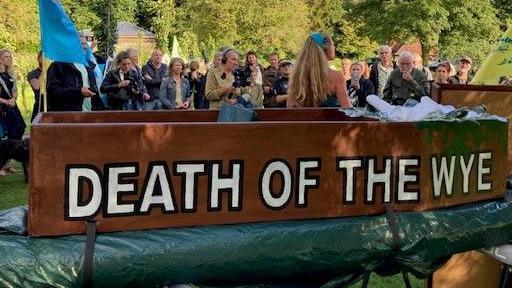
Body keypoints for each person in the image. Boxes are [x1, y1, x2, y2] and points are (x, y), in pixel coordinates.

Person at [287, 32, 351, 108]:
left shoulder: (297, 75)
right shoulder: (336, 76)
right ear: (327, 48)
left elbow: (290, 105)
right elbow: (347, 108)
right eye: (333, 45)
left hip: (303, 119)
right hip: (327, 119)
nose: (335, 48)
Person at [46, 36, 103, 111]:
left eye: (85, 44)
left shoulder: (88, 65)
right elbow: (52, 91)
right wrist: (78, 92)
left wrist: (100, 110)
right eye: (82, 44)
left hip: (89, 114)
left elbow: (94, 90)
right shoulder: (58, 65)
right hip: (69, 116)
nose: (85, 47)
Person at [0, 49, 25, 175]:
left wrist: (14, 98)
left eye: (9, 57)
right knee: (5, 135)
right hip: (2, 109)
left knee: (19, 129)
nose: (8, 59)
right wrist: (5, 101)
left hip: (12, 107)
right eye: (5, 57)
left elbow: (15, 90)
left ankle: (7, 164)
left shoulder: (10, 74)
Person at [27, 51, 43, 121]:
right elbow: (36, 86)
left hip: (54, 108)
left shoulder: (53, 73)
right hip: (39, 107)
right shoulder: (32, 74)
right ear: (38, 59)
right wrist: (44, 70)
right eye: (44, 57)